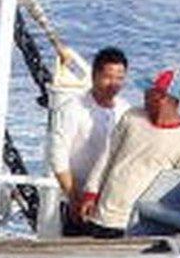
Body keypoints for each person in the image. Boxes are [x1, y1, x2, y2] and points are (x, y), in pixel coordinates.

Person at [80, 68, 180, 238]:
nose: (144, 96)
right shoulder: (132, 117)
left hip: (137, 227)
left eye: (149, 93)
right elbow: (108, 155)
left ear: (163, 98)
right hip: (104, 216)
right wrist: (90, 193)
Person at [48, 47, 130, 236]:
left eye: (119, 78)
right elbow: (57, 155)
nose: (113, 84)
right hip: (75, 195)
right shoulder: (72, 109)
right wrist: (73, 197)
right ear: (94, 76)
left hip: (109, 202)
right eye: (108, 77)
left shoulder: (125, 111)